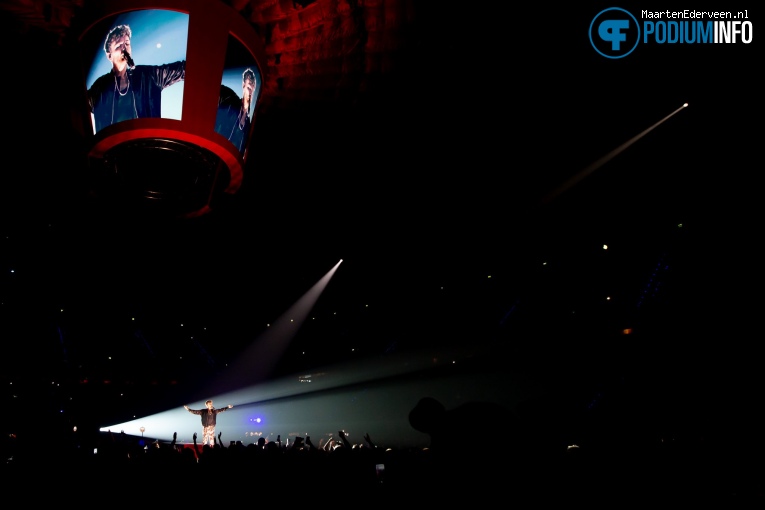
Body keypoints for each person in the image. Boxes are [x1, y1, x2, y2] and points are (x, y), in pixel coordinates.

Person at [87, 24, 186, 133]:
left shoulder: (148, 76)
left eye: (127, 43)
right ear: (109, 55)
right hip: (113, 149)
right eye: (119, 45)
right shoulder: (100, 87)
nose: (124, 48)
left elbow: (182, 69)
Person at [215, 67, 256, 154]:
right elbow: (210, 84)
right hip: (210, 150)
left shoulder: (248, 125)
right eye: (248, 86)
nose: (250, 90)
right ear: (243, 85)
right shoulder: (229, 97)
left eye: (252, 86)